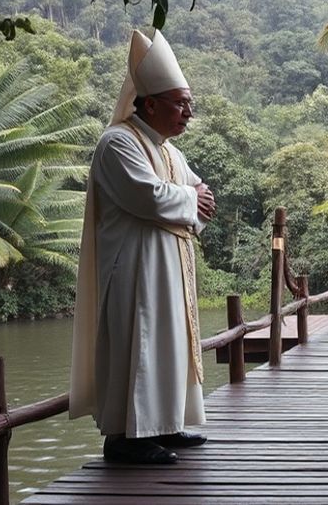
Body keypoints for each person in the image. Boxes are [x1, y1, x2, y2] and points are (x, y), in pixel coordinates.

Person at [69, 29, 217, 465]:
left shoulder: (169, 153)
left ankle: (165, 425)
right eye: (179, 103)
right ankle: (126, 438)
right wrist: (188, 200)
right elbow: (148, 196)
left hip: (171, 262)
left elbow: (201, 199)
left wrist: (189, 201)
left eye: (189, 104)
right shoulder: (118, 142)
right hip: (133, 267)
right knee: (142, 343)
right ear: (149, 103)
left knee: (171, 342)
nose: (187, 113)